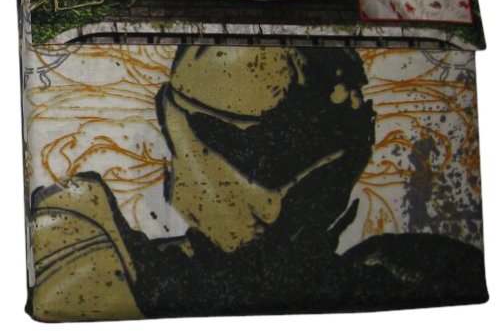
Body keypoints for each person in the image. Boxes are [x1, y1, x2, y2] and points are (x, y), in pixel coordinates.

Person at [27, 45, 488, 321]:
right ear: (170, 121)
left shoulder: (414, 272)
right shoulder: (86, 236)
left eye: (317, 163)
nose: (273, 206)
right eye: (244, 148)